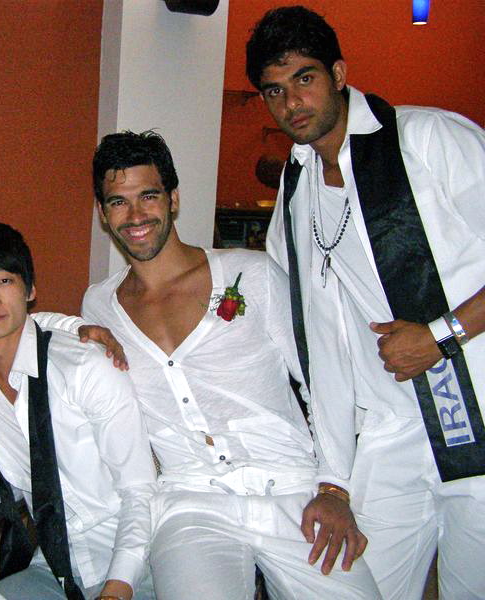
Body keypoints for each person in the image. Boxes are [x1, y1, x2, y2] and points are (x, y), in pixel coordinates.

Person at [246, 6, 485, 599]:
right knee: (359, 588)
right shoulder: (296, 188)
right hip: (387, 431)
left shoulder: (427, 139)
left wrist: (441, 335)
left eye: (304, 78)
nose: (291, 102)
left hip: (476, 410)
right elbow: (311, 331)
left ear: (339, 74)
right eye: (274, 90)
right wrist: (334, 476)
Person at [82, 131, 379, 600]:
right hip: (190, 502)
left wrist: (335, 488)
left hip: (292, 489)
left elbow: (324, 382)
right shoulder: (99, 306)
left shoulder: (252, 274)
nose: (135, 215)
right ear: (103, 213)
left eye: (149, 196)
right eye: (118, 202)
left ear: (173, 199)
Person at [0, 221, 157, 600]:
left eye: (4, 281)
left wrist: (118, 587)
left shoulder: (85, 369)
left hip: (134, 565)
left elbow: (140, 491)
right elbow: (12, 482)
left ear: (30, 290)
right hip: (54, 566)